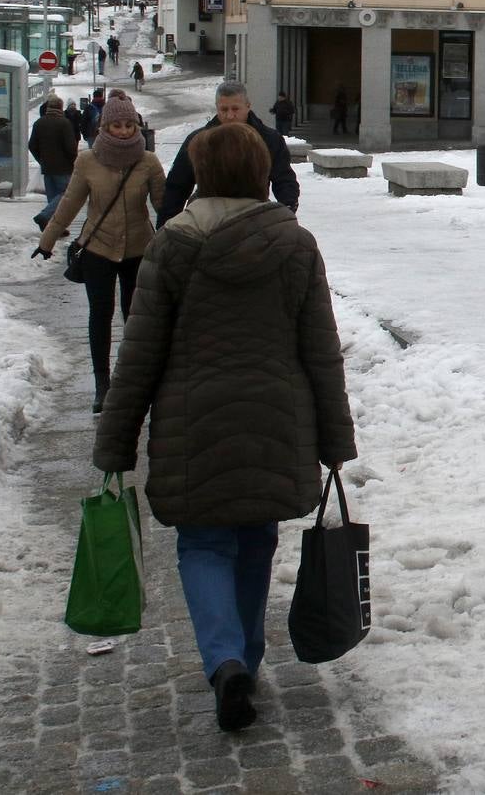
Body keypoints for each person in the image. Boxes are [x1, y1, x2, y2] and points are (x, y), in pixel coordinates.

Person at [92, 122, 356, 732]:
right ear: (261, 173)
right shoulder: (294, 244)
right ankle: (247, 658)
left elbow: (140, 354)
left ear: (203, 174)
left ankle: (225, 659)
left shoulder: (172, 244)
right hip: (276, 417)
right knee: (257, 539)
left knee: (204, 544)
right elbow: (322, 351)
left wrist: (117, 441)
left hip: (192, 421)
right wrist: (336, 439)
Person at [31, 97, 166, 411]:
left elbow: (164, 207)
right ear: (104, 127)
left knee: (135, 318)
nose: (123, 131)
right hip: (98, 249)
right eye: (117, 125)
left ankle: (133, 380)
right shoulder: (88, 161)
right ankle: (102, 384)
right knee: (100, 315)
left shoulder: (148, 162)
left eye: (129, 125)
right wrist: (47, 240)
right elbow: (69, 203)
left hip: (137, 249)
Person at [158, 81, 298, 227]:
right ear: (217, 108)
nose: (230, 116)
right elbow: (177, 186)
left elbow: (284, 179)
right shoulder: (199, 141)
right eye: (224, 109)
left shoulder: (269, 139)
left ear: (248, 106)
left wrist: (287, 212)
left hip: (254, 219)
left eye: (235, 109)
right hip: (208, 221)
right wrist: (165, 227)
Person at [28, 95, 78, 230]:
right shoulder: (64, 123)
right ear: (61, 108)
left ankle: (53, 228)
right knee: (66, 194)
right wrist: (74, 161)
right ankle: (44, 216)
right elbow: (71, 148)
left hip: (47, 167)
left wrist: (41, 160)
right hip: (63, 168)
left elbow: (32, 145)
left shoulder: (39, 123)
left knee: (52, 198)